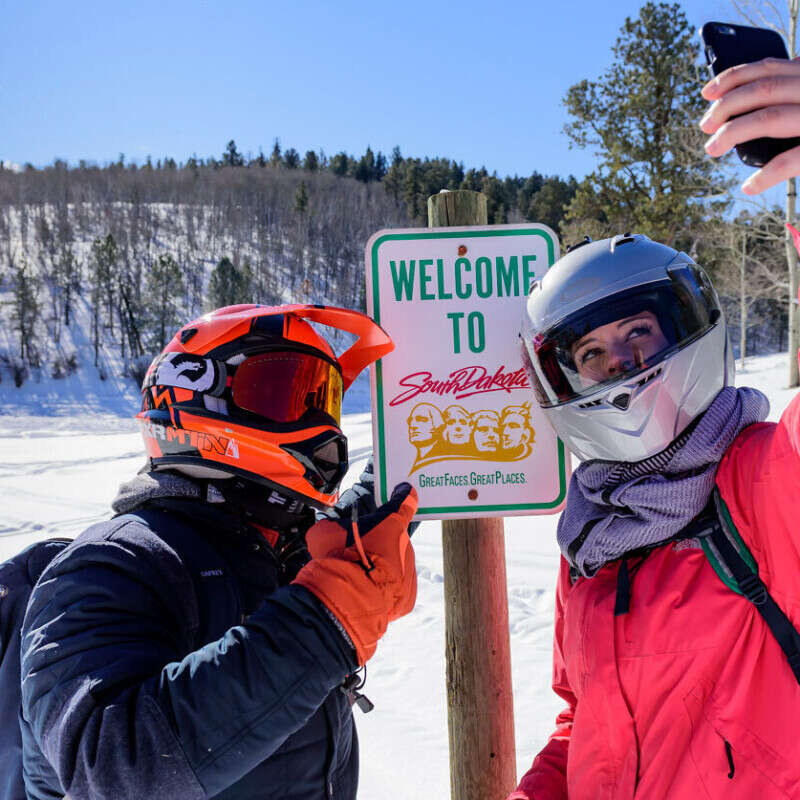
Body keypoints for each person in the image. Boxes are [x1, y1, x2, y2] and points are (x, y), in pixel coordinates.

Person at [507, 58, 800, 799]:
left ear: (681, 327)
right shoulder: (588, 541)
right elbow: (585, 724)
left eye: (638, 332)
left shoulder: (763, 479)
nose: (622, 365)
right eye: (592, 353)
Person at [19, 303, 418, 800]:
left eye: (322, 397)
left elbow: (355, 532)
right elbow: (111, 765)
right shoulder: (110, 565)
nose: (319, 423)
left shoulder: (277, 546)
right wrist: (324, 621)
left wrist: (408, 466)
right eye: (282, 393)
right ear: (195, 394)